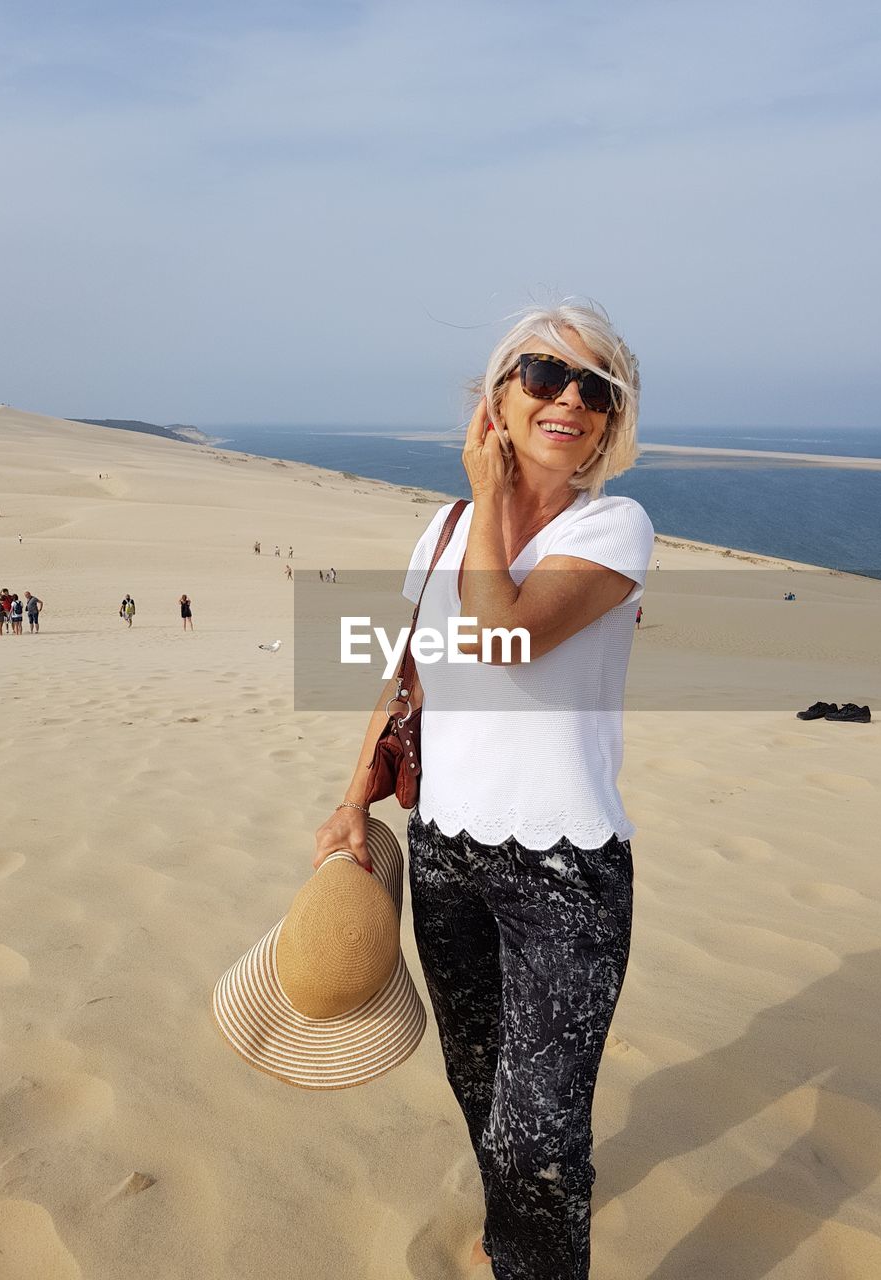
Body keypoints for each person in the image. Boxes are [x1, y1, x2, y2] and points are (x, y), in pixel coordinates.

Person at [313, 301, 654, 1278]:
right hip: (445, 853)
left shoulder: (614, 527)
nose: (572, 399)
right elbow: (407, 669)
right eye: (546, 373)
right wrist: (353, 798)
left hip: (566, 870)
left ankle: (534, 1254)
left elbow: (506, 635)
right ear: (497, 395)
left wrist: (487, 491)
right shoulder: (447, 527)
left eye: (599, 388)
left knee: (539, 1128)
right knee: (478, 1085)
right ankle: (518, 1235)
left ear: (610, 422)